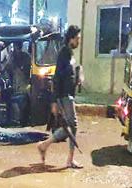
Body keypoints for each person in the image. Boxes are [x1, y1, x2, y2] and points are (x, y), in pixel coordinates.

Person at [36, 25, 82, 169]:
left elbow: (70, 73)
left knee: (71, 126)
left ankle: (46, 146)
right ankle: (65, 157)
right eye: (78, 38)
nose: (79, 41)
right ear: (71, 39)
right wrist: (54, 101)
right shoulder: (63, 53)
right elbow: (57, 78)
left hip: (69, 95)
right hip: (64, 96)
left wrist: (79, 75)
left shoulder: (70, 53)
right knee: (72, 125)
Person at [4, 41, 31, 124]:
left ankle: (23, 118)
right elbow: (7, 69)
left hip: (24, 85)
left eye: (18, 47)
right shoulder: (12, 57)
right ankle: (10, 119)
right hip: (14, 85)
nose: (16, 49)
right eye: (16, 47)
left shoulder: (26, 57)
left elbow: (27, 71)